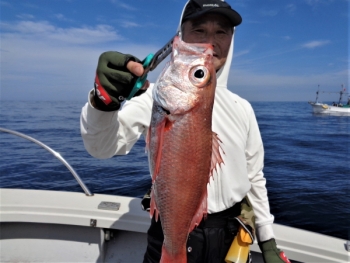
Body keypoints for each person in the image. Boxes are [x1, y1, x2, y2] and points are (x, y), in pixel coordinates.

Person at [80, 0, 290, 262]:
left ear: (232, 40)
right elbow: (101, 147)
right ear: (180, 36)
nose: (210, 42)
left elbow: (255, 176)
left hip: (230, 236)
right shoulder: (158, 98)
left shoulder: (243, 108)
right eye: (199, 31)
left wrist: (267, 238)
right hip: (169, 230)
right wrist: (103, 104)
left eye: (221, 32)